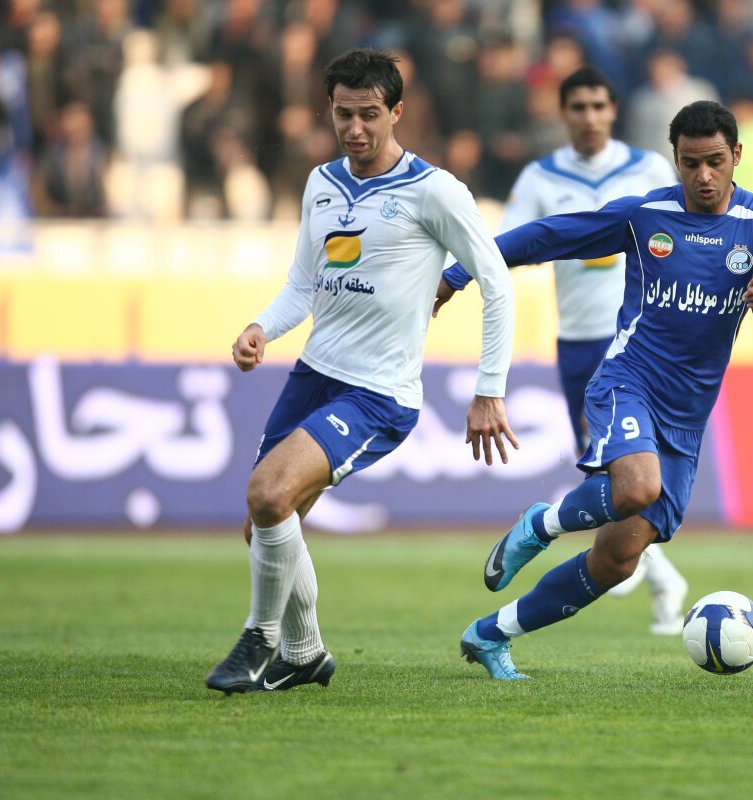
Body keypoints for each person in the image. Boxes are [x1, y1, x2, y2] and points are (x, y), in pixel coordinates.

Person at [440, 99, 753, 680]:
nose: (703, 176)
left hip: (687, 418)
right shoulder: (646, 215)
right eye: (690, 163)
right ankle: (541, 524)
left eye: (715, 161)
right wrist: (460, 271)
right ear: (675, 159)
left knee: (617, 559)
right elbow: (549, 236)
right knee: (636, 487)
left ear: (737, 156)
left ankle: (490, 635)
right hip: (627, 381)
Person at [205, 49, 518, 694]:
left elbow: (497, 283)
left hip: (378, 393)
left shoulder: (434, 190)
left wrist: (490, 389)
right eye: (343, 114)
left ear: (396, 111)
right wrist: (261, 326)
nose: (355, 128)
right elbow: (303, 283)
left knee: (269, 493)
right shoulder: (321, 182)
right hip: (313, 375)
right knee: (264, 521)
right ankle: (306, 652)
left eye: (369, 114)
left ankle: (260, 639)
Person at [439, 66, 690, 635]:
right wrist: (464, 272)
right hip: (575, 338)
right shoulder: (540, 176)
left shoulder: (650, 169)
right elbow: (514, 245)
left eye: (599, 106)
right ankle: (661, 577)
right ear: (564, 114)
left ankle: (639, 570)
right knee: (609, 472)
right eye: (578, 107)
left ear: (613, 110)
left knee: (622, 471)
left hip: (635, 341)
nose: (590, 117)